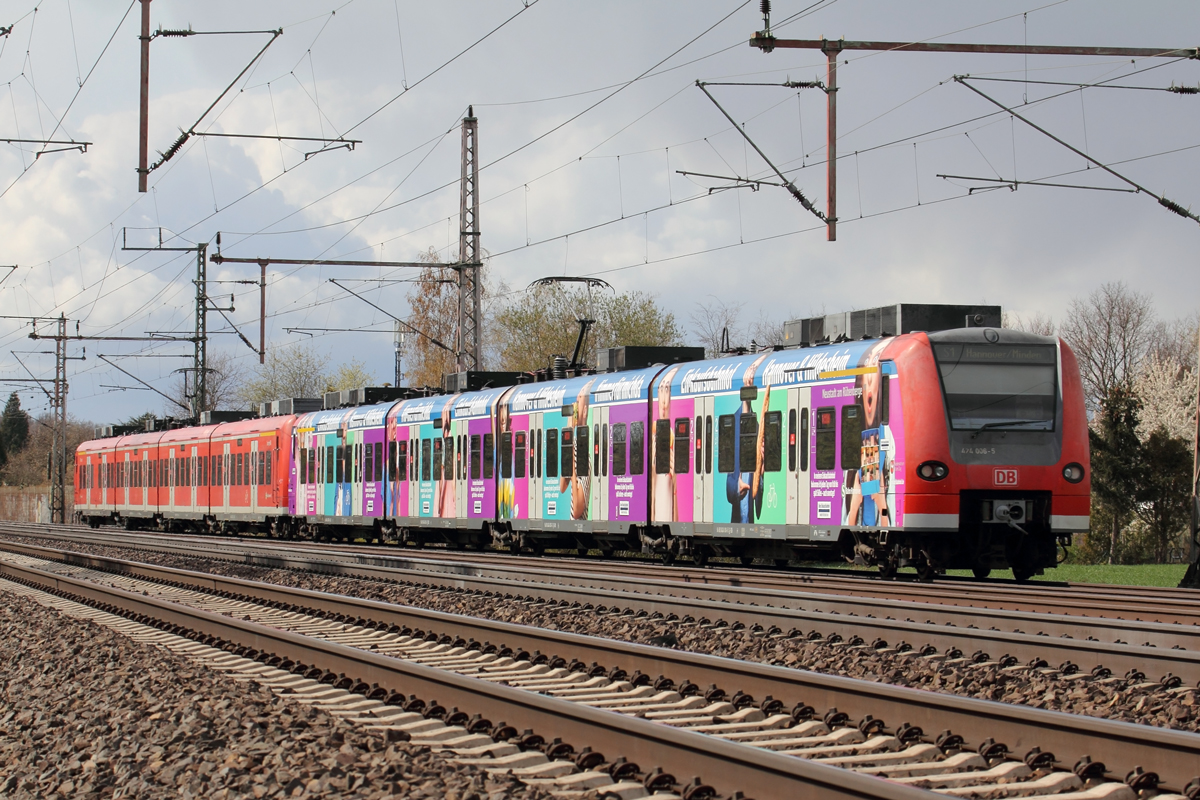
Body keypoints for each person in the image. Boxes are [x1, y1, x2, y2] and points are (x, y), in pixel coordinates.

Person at [845, 339, 893, 526]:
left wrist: (882, 504)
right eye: (866, 382)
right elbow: (849, 525)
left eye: (873, 382)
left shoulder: (886, 435)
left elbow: (887, 524)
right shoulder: (856, 436)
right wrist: (855, 503)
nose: (870, 388)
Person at [726, 353, 770, 524]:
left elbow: (758, 489)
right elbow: (729, 483)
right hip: (739, 517)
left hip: (750, 518)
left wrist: (763, 464)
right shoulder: (738, 423)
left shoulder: (758, 429)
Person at [559, 379, 594, 520]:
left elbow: (577, 511)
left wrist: (573, 471)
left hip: (580, 523)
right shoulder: (574, 446)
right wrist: (569, 433)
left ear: (584, 410)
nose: (574, 406)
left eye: (577, 402)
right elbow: (562, 486)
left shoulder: (586, 459)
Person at [651, 366, 680, 522]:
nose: (663, 399)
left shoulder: (675, 438)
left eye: (667, 390)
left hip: (668, 511)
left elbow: (677, 519)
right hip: (658, 512)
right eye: (661, 390)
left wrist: (675, 481)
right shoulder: (652, 435)